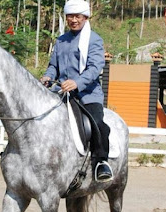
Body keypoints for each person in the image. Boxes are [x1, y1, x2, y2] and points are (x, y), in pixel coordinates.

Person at [40, 0, 113, 182]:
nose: (73, 20)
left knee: (98, 125)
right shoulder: (61, 40)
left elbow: (95, 67)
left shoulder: (94, 40)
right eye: (70, 16)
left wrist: (77, 83)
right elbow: (53, 66)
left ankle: (101, 162)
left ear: (85, 17)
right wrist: (48, 77)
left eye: (77, 16)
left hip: (87, 94)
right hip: (61, 93)